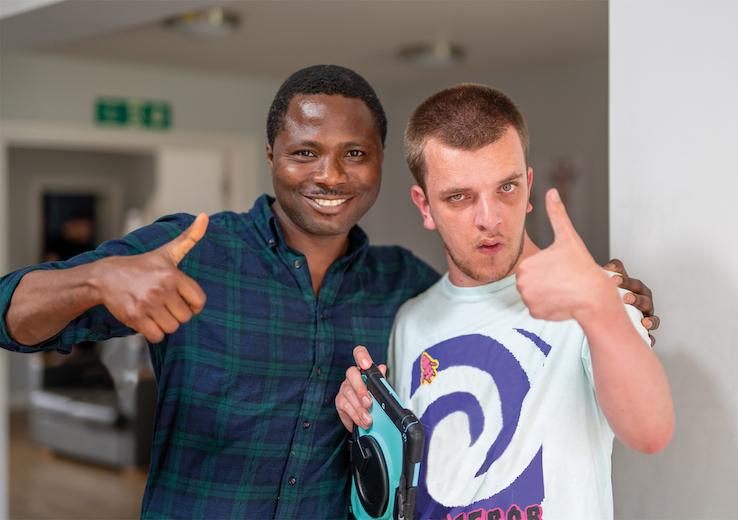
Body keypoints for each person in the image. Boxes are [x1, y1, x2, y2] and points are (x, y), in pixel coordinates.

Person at [0, 66, 658, 519]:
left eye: (354, 153)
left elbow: (494, 296)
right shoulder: (190, 250)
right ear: (270, 155)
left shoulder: (405, 288)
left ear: (378, 163)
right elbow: (8, 316)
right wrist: (95, 277)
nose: (330, 175)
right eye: (305, 152)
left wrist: (608, 295)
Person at [335, 84, 674, 520]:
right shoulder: (411, 321)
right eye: (459, 197)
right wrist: (368, 423)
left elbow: (650, 432)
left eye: (507, 188)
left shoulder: (595, 295)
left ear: (529, 185)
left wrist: (601, 308)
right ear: (425, 206)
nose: (489, 218)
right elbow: (414, 481)